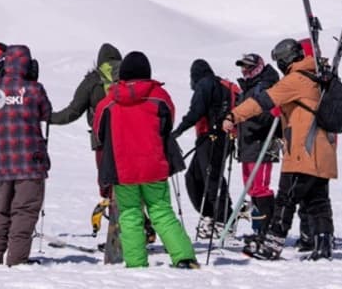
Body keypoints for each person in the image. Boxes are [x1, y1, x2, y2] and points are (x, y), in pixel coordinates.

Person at [223, 37, 337, 260]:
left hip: (302, 151)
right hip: (323, 150)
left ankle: (273, 244)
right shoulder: (319, 76)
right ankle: (323, 244)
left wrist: (233, 115)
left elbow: (261, 102)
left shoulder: (296, 79)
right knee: (318, 201)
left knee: (286, 199)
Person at [94, 51, 198, 269]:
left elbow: (99, 134)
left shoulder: (108, 102)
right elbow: (168, 123)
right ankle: (184, 257)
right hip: (154, 166)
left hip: (123, 169)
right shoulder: (159, 96)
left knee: (130, 215)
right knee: (161, 211)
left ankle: (136, 264)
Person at [49, 43, 149, 239]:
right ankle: (139, 227)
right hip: (132, 138)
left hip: (103, 140)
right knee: (129, 184)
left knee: (109, 185)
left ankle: (121, 236)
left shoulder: (93, 79)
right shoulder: (131, 75)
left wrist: (48, 117)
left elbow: (72, 111)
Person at [0, 44, 52, 267]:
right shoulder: (34, 89)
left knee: (0, 210)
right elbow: (46, 113)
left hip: (2, 162)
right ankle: (17, 259)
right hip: (30, 162)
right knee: (25, 210)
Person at [171, 59, 241, 240]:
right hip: (219, 138)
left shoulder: (205, 84)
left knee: (211, 179)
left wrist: (178, 131)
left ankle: (224, 219)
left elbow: (196, 111)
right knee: (197, 177)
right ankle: (212, 216)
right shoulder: (219, 84)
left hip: (211, 138)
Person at [233, 52, 281, 245]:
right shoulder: (249, 87)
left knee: (260, 187)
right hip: (247, 143)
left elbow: (270, 116)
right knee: (251, 187)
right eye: (243, 67)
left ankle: (266, 230)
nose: (245, 71)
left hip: (262, 143)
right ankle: (258, 228)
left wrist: (248, 113)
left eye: (248, 67)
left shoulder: (265, 86)